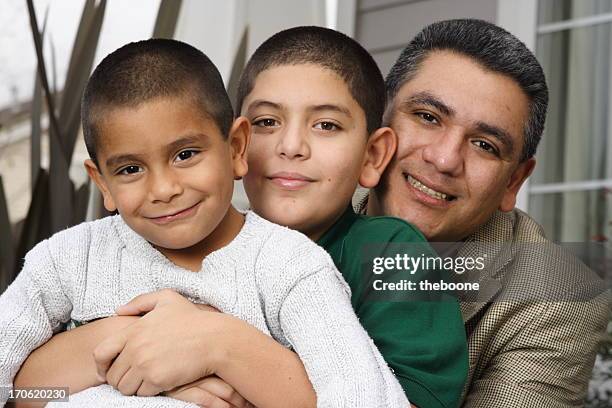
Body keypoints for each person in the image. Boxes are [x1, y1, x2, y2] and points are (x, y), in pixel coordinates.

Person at [13, 27, 468, 408]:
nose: (291, 147)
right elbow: (17, 389)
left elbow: (370, 396)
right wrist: (127, 345)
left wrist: (219, 347)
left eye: (326, 125)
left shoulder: (305, 264)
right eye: (269, 121)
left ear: (233, 148)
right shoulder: (76, 256)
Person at [359, 19, 610, 407]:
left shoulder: (559, 299)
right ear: (379, 119)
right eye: (427, 117)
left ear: (514, 182)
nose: (444, 159)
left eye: (484, 145)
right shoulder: (307, 214)